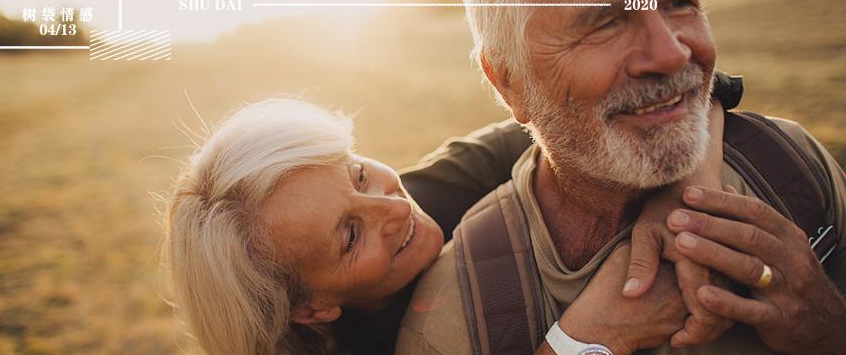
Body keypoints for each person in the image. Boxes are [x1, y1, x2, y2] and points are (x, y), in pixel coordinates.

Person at [396, 0, 846, 354]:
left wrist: (826, 321)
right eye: (605, 23)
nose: (672, 54)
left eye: (679, 2)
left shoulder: (791, 164)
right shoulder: (458, 319)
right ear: (509, 81)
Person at [160, 88, 733, 354]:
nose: (393, 207)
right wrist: (589, 339)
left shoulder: (444, 184)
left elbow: (674, 83)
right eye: (350, 235)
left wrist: (685, 196)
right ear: (312, 309)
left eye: (358, 174)